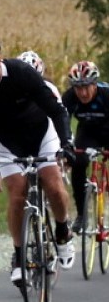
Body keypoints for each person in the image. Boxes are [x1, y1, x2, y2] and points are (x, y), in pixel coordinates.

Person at [0, 33, 76, 285]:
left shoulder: (22, 73)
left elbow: (56, 111)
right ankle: (19, 255)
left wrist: (66, 144)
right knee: (17, 193)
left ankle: (63, 231)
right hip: (7, 141)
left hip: (41, 133)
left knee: (54, 185)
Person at [61, 60, 109, 233]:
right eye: (77, 87)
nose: (82, 92)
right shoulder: (69, 97)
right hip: (88, 132)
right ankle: (82, 214)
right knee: (77, 162)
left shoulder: (106, 94)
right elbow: (61, 121)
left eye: (86, 87)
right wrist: (65, 147)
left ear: (95, 84)